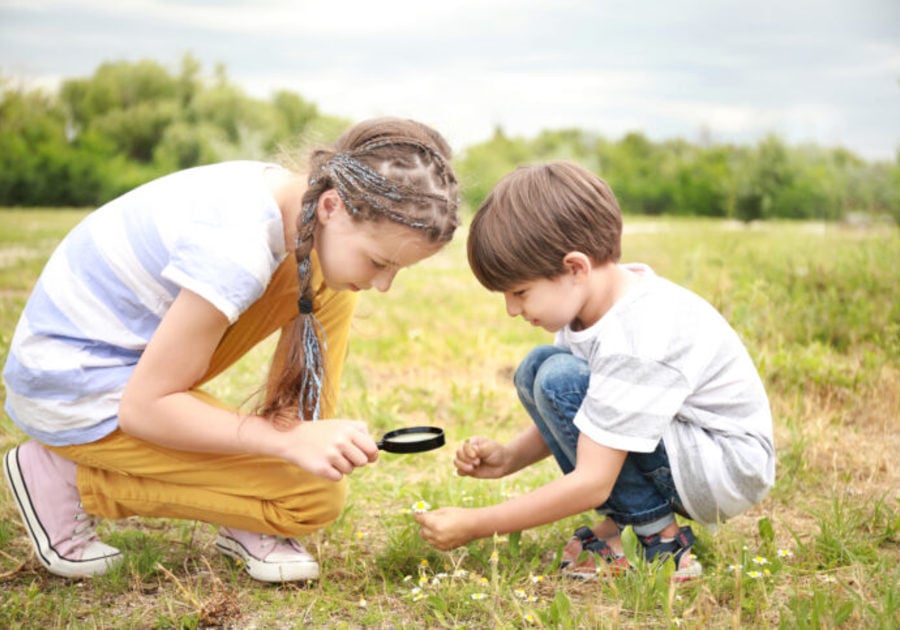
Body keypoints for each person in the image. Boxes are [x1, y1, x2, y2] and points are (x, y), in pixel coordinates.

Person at [2, 117, 460, 582]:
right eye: (380, 262)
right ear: (331, 205)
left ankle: (278, 460)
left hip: (126, 368)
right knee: (311, 498)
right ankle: (63, 475)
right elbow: (144, 408)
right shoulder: (235, 248)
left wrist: (299, 436)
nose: (383, 284)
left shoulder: (282, 201)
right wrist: (287, 442)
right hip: (75, 393)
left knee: (334, 283)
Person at [415, 161, 774, 580]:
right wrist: (512, 457)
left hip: (720, 468)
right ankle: (629, 523)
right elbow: (588, 411)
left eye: (520, 292)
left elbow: (592, 480)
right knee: (539, 368)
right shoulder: (591, 306)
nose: (512, 310)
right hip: (685, 447)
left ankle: (660, 542)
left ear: (575, 268)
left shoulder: (636, 334)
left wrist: (477, 523)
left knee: (556, 378)